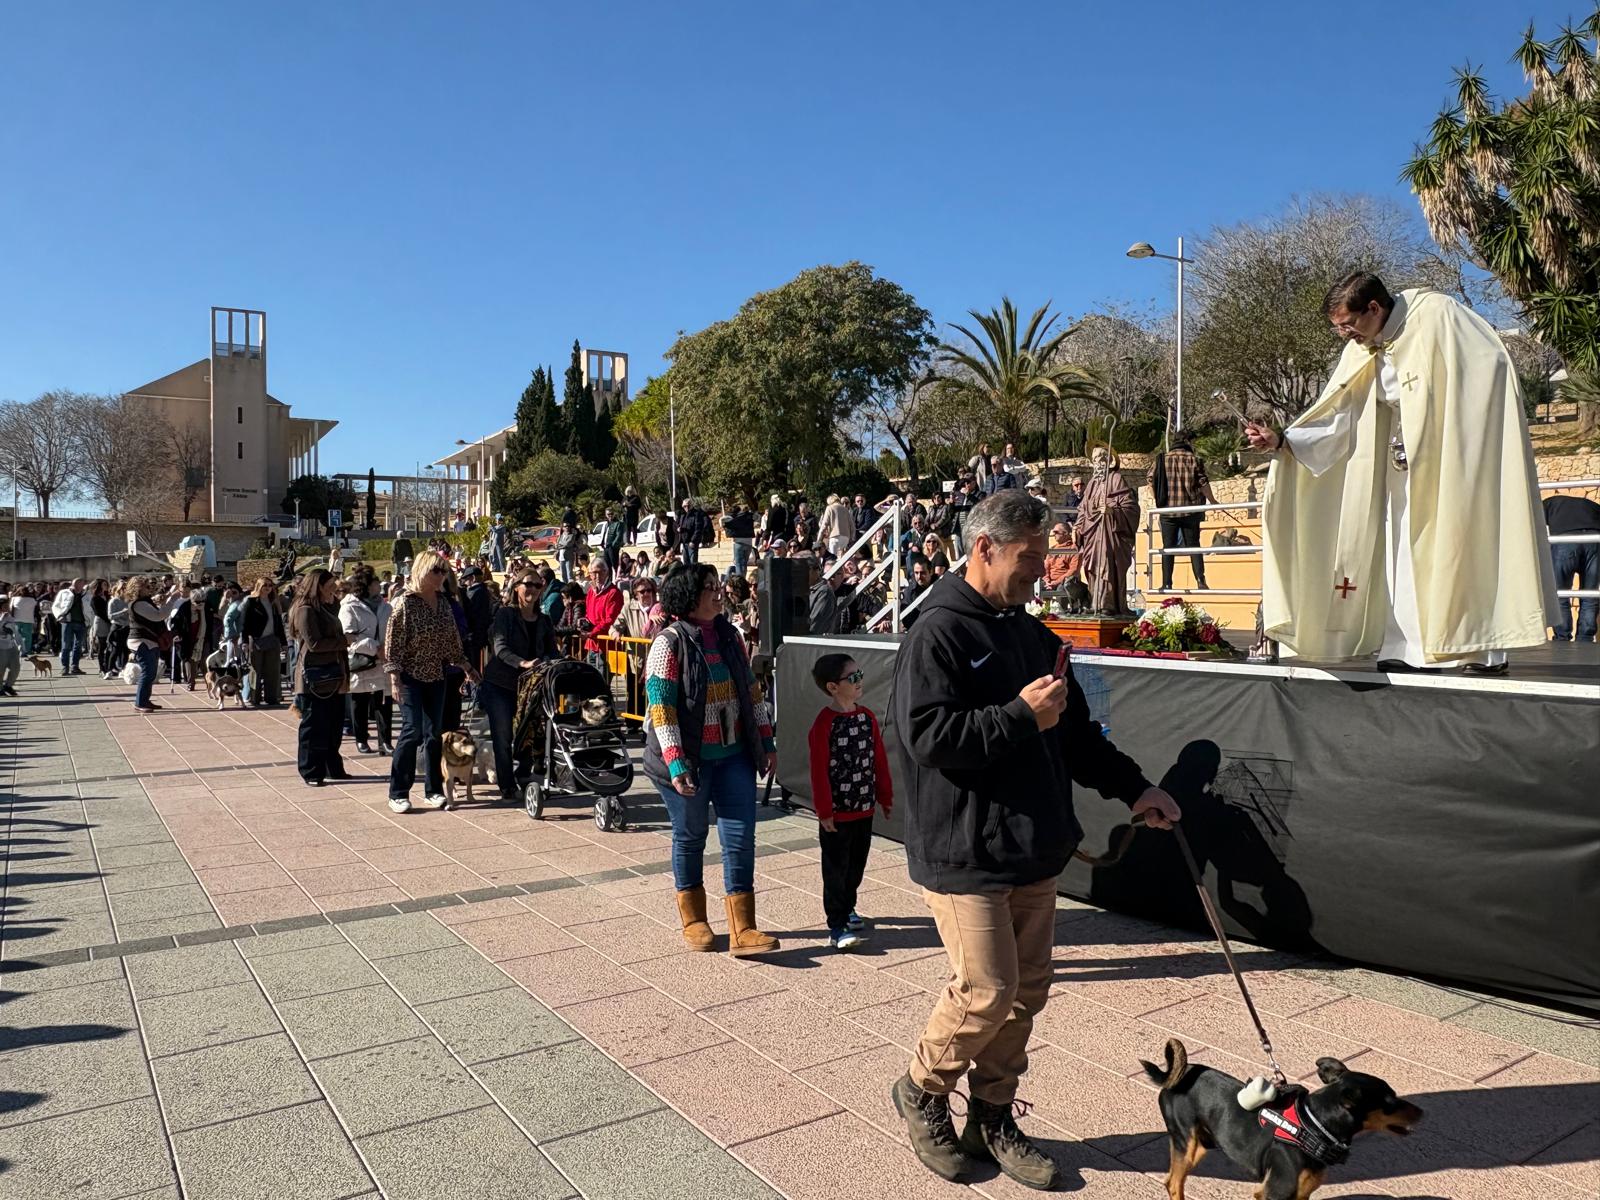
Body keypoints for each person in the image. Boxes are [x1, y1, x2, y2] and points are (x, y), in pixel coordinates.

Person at [889, 490, 1180, 1187]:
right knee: (985, 989)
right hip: (965, 851)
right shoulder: (937, 632)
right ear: (984, 547)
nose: (1040, 570)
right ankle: (922, 1089)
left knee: (1027, 992)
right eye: (1028, 557)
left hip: (1034, 845)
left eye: (1044, 554)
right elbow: (926, 738)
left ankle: (991, 1116)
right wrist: (1018, 718)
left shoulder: (1033, 636)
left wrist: (1137, 788)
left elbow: (1077, 738)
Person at [1248, 272, 1558, 671]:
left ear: (1374, 308)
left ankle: (1480, 649)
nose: (1344, 335)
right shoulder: (1361, 350)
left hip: (1455, 461)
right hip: (1402, 470)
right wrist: (1282, 441)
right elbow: (1340, 413)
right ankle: (1407, 649)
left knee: (1464, 547)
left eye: (1348, 324)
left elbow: (1488, 368)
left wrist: (1450, 433)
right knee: (1402, 555)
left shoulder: (1438, 315)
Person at [643, 563, 779, 957]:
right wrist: (676, 763)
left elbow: (751, 693)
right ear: (688, 597)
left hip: (734, 755)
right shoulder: (668, 644)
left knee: (740, 837)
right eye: (708, 588)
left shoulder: (731, 637)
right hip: (687, 760)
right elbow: (663, 709)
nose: (718, 593)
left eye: (718, 586)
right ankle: (694, 919)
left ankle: (744, 928)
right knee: (690, 837)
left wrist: (766, 742)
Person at [806, 653, 891, 952]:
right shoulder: (823, 725)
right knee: (835, 868)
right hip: (836, 814)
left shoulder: (866, 717)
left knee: (856, 864)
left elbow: (878, 758)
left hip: (863, 807)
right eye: (852, 678)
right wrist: (824, 811)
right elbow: (818, 771)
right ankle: (836, 924)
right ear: (832, 687)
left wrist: (885, 795)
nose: (859, 682)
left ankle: (849, 907)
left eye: (860, 675)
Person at [384, 550, 478, 814]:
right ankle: (398, 792)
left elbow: (451, 642)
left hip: (437, 676)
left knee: (433, 733)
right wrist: (394, 678)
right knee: (411, 731)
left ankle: (433, 790)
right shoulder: (405, 603)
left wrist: (467, 666)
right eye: (436, 571)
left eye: (444, 571)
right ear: (422, 570)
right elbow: (393, 645)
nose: (441, 576)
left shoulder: (443, 603)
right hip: (410, 677)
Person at [482, 572, 558, 803]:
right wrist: (523, 662)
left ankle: (523, 774)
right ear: (517, 588)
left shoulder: (544, 620)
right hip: (500, 683)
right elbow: (500, 648)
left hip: (531, 685)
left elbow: (552, 650)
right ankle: (506, 785)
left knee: (528, 732)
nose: (533, 589)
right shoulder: (506, 614)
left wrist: (555, 660)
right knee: (503, 735)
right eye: (528, 585)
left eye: (537, 585)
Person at [289, 569, 350, 787]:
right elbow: (314, 644)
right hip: (315, 677)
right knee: (314, 726)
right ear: (319, 586)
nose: (335, 588)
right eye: (331, 585)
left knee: (333, 724)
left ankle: (332, 766)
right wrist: (345, 641)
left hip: (334, 673)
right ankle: (311, 770)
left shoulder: (329, 607)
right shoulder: (305, 610)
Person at [1072, 446, 1139, 615]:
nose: (1097, 464)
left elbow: (1130, 506)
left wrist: (1112, 511)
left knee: (1107, 564)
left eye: (1101, 460)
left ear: (1108, 461)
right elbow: (1083, 509)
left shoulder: (1116, 479)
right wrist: (1077, 527)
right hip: (1092, 533)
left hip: (1110, 532)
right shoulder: (1092, 484)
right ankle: (1095, 601)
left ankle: (1108, 603)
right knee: (1092, 566)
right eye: (1095, 460)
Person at [1152, 434, 1216, 591]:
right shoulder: (1194, 459)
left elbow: (1150, 479)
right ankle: (1200, 581)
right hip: (1190, 510)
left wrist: (1159, 499)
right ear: (1187, 443)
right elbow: (1203, 483)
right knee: (1194, 546)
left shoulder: (1162, 460)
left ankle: (1167, 583)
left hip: (1167, 511)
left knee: (1168, 547)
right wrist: (1213, 501)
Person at [340, 576, 391, 755]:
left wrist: (387, 646)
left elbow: (392, 628)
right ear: (367, 586)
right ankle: (361, 739)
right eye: (375, 582)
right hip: (361, 660)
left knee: (384, 702)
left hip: (383, 660)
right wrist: (374, 647)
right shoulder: (349, 607)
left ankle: (385, 741)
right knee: (359, 702)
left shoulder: (386, 606)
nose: (379, 585)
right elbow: (348, 636)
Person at [1544, 493, 1600, 643]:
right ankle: (1586, 638)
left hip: (1565, 540)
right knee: (1590, 594)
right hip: (1594, 540)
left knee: (1561, 594)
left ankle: (1562, 638)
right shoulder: (1590, 504)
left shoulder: (1548, 503)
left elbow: (1534, 525)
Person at [127, 578, 185, 714]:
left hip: (148, 641)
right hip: (141, 641)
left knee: (151, 672)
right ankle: (140, 702)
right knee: (147, 672)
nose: (150, 588)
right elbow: (159, 616)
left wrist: (164, 599)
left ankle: (145, 700)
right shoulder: (138, 604)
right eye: (146, 586)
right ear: (138, 589)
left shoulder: (144, 602)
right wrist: (172, 600)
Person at [239, 578, 286, 706]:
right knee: (255, 671)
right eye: (265, 585)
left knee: (273, 671)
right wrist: (244, 641)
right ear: (258, 586)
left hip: (272, 640)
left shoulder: (274, 603)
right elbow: (244, 624)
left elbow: (279, 625)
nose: (268, 587)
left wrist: (284, 642)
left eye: (270, 585)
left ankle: (271, 698)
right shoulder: (251, 602)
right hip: (256, 641)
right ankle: (255, 698)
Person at [583, 559, 624, 670]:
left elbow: (610, 619)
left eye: (599, 572)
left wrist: (592, 632)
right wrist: (584, 625)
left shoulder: (614, 593)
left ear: (606, 572)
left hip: (606, 645)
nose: (596, 576)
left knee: (602, 682)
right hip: (591, 644)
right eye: (593, 573)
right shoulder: (591, 591)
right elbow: (588, 614)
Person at [460, 564, 496, 672]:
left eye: (466, 579)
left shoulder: (473, 593)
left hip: (475, 635)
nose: (465, 583)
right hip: (483, 634)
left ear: (473, 578)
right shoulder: (485, 591)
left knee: (475, 667)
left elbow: (470, 615)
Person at [51, 578, 89, 675]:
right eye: (76, 583)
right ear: (73, 584)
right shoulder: (64, 593)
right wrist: (59, 616)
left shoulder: (86, 594)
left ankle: (75, 666)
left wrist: (90, 620)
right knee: (66, 645)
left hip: (82, 622)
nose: (78, 586)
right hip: (68, 621)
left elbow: (90, 607)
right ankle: (65, 667)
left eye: (80, 583)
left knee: (78, 645)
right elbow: (56, 605)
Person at [1041, 523, 1082, 591]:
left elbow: (1073, 571)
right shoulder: (1052, 549)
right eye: (1053, 532)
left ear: (1065, 533)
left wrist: (1056, 583)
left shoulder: (1074, 549)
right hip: (1049, 582)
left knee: (1061, 589)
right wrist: (1047, 581)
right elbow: (1046, 567)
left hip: (1064, 583)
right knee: (1035, 586)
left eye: (1056, 532)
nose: (1054, 534)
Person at [720, 501, 756, 579]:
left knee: (739, 565)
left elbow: (723, 521)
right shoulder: (749, 516)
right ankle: (743, 581)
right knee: (744, 565)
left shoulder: (736, 518)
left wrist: (723, 525)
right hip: (749, 544)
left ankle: (739, 583)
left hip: (739, 543)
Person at [807, 559, 842, 635]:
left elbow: (815, 625)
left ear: (817, 571)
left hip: (814, 643)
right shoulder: (805, 590)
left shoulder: (824, 592)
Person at [818, 493, 857, 558]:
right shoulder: (845, 509)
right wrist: (851, 538)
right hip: (846, 537)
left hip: (834, 537)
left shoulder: (829, 508)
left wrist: (818, 540)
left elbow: (824, 525)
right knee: (843, 559)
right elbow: (852, 526)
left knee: (833, 559)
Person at [677, 497, 708, 565]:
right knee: (686, 563)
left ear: (691, 505)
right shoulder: (683, 515)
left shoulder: (697, 514)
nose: (686, 508)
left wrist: (693, 541)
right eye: (684, 506)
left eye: (688, 505)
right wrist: (680, 529)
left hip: (692, 543)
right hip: (684, 543)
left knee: (693, 564)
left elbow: (698, 529)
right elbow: (680, 526)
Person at [0, 596, 20, 697]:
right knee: (1, 669)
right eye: (4, 606)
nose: (7, 608)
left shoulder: (10, 617)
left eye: (7, 605)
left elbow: (15, 631)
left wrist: (20, 644)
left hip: (11, 646)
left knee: (16, 667)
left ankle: (8, 685)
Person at [555, 513, 583, 584]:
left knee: (569, 574)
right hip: (561, 557)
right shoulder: (561, 536)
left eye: (568, 526)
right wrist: (560, 545)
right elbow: (557, 544)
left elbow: (567, 544)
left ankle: (571, 587)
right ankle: (565, 586)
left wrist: (560, 545)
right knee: (563, 575)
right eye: (565, 526)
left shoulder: (572, 535)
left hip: (568, 557)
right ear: (563, 528)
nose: (567, 527)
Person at [9, 585, 36, 655]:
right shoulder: (32, 600)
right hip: (28, 620)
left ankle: (18, 649)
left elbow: (11, 608)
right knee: (27, 637)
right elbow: (36, 606)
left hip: (16, 619)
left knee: (17, 636)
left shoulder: (14, 599)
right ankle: (26, 650)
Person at [600, 506, 625, 571]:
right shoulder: (606, 524)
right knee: (607, 566)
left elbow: (619, 535)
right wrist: (602, 543)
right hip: (606, 547)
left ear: (614, 514)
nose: (610, 515)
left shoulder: (618, 523)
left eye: (611, 514)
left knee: (614, 565)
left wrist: (612, 545)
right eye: (608, 514)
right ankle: (609, 580)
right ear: (606, 515)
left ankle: (616, 579)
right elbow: (605, 534)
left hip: (612, 547)